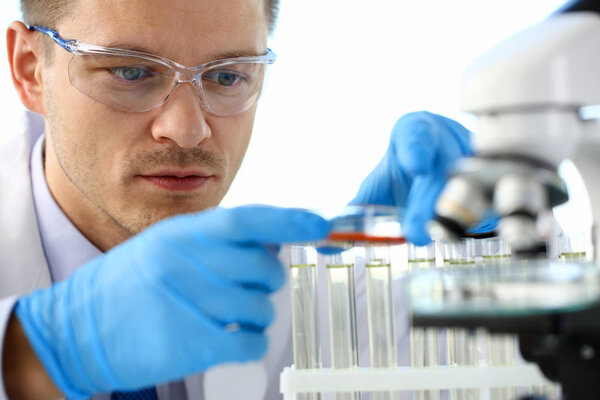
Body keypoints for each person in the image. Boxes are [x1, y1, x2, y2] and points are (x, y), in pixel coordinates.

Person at [0, 0, 491, 399]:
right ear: (30, 71)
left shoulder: (312, 291)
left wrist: (480, 228)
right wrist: (29, 353)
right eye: (130, 72)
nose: (187, 129)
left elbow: (505, 366)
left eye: (227, 76)